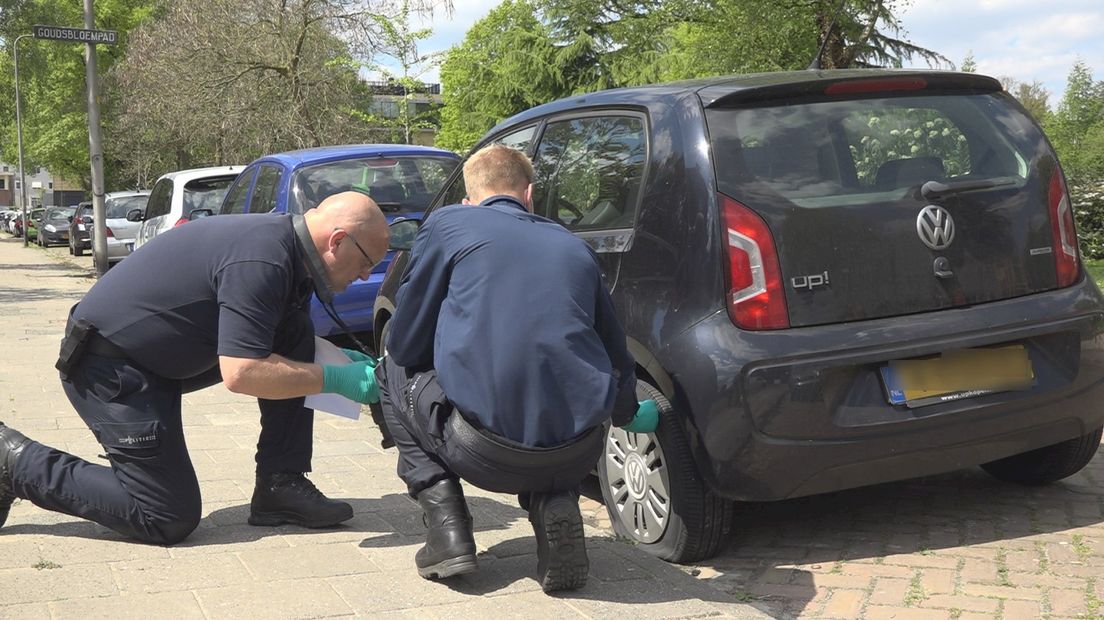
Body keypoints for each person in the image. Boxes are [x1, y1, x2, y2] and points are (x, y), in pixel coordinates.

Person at [0, 191, 388, 545]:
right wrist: (336, 378)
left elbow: (275, 345)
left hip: (158, 357)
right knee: (166, 516)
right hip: (110, 368)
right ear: (337, 242)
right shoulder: (262, 259)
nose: (366, 275)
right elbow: (242, 372)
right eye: (367, 262)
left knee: (294, 334)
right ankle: (13, 461)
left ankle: (280, 485)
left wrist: (329, 360)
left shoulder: (287, 252)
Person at [376, 144, 659, 592]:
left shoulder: (450, 224)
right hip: (579, 451)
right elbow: (615, 352)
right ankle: (555, 500)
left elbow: (407, 344)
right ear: (528, 194)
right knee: (546, 384)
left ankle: (448, 530)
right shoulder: (572, 245)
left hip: (483, 453)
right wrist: (626, 412)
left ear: (469, 200)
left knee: (388, 369)